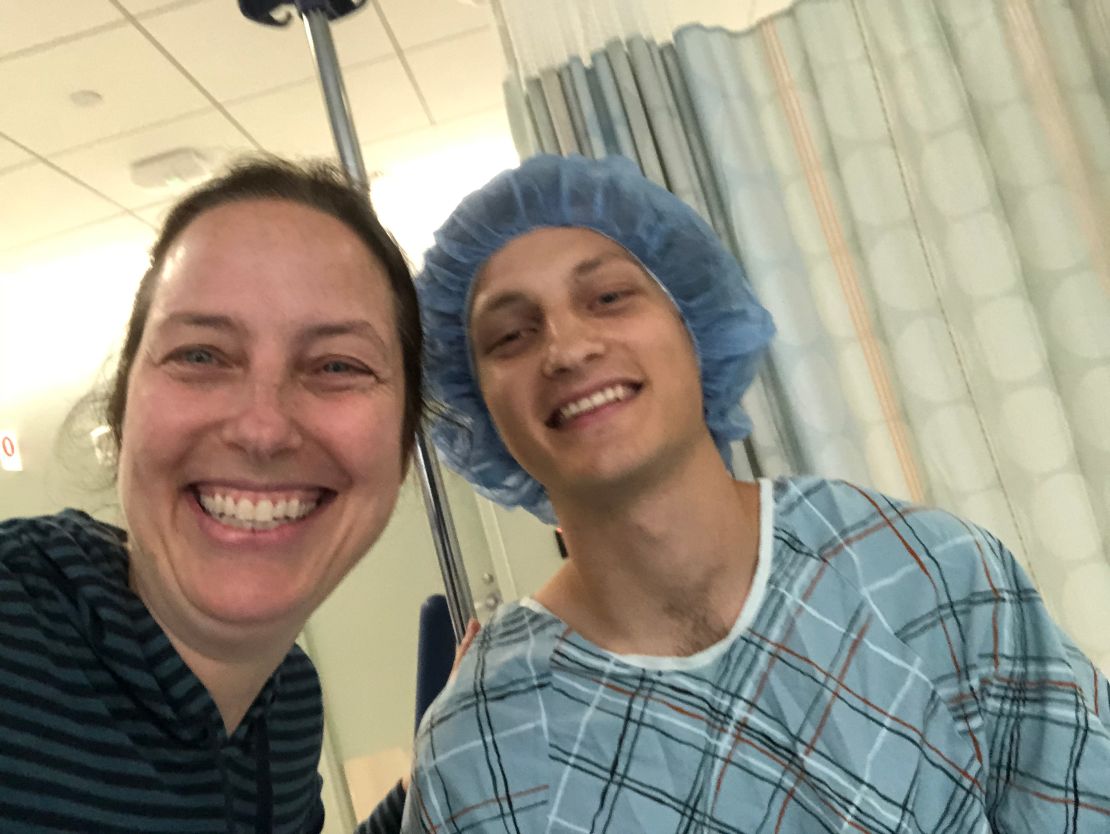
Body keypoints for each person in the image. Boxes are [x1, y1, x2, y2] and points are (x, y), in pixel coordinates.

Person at [402, 154, 1110, 833]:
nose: (567, 349)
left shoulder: (922, 573)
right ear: (479, 406)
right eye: (510, 335)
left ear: (694, 322)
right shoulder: (483, 748)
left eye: (609, 297)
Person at [0, 157, 421, 833]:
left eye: (337, 365)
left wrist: (436, 778)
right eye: (201, 355)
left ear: (403, 446)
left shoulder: (286, 704)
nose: (262, 428)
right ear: (125, 407)